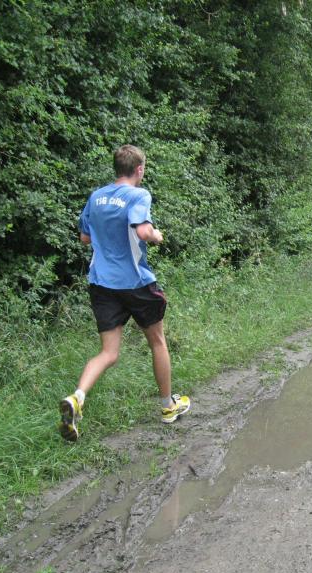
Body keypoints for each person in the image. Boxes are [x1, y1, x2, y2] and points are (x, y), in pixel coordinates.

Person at [59, 144, 191, 442]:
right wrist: (156, 235)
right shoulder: (138, 195)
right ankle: (168, 406)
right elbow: (143, 231)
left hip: (101, 284)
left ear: (117, 168)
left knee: (108, 353)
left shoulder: (96, 196)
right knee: (157, 341)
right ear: (139, 169)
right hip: (135, 283)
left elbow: (84, 237)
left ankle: (77, 398)